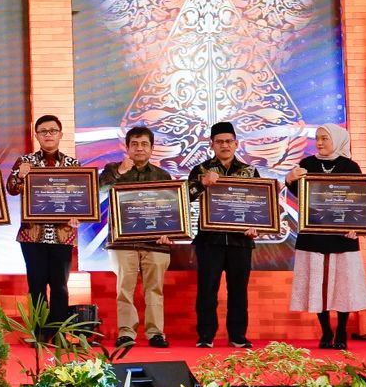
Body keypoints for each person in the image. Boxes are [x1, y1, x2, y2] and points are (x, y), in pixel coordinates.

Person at [286, 124, 366, 350]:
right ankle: (326, 330)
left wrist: (357, 227)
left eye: (324, 138)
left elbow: (361, 199)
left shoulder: (350, 166)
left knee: (342, 283)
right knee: (318, 285)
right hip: (313, 234)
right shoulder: (306, 164)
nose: (319, 142)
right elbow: (299, 194)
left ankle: (341, 329)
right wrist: (289, 179)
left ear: (338, 139)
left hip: (343, 235)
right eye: (317, 138)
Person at [187, 121, 262, 349]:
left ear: (236, 143)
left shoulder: (250, 171)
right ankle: (205, 335)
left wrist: (256, 226)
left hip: (241, 240)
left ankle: (237, 336)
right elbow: (186, 196)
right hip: (209, 240)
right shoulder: (200, 170)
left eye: (229, 141)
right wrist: (202, 183)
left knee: (238, 290)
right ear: (211, 144)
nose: (225, 145)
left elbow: (260, 204)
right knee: (207, 289)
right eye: (219, 141)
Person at [100, 126, 176, 349]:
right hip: (122, 242)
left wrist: (169, 232)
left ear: (151, 148)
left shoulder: (162, 175)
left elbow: (171, 209)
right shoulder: (112, 169)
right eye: (135, 144)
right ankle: (126, 333)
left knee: (155, 289)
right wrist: (120, 172)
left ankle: (156, 333)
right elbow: (98, 190)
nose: (139, 148)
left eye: (144, 144)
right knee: (124, 289)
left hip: (156, 243)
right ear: (127, 147)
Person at [6, 115, 81, 338]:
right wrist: (20, 175)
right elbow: (11, 188)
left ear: (60, 134)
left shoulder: (72, 164)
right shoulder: (25, 161)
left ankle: (58, 333)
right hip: (32, 235)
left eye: (53, 130)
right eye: (43, 131)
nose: (48, 135)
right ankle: (38, 332)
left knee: (60, 286)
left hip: (63, 234)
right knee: (36, 285)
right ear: (36, 135)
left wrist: (78, 216)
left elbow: (80, 196)